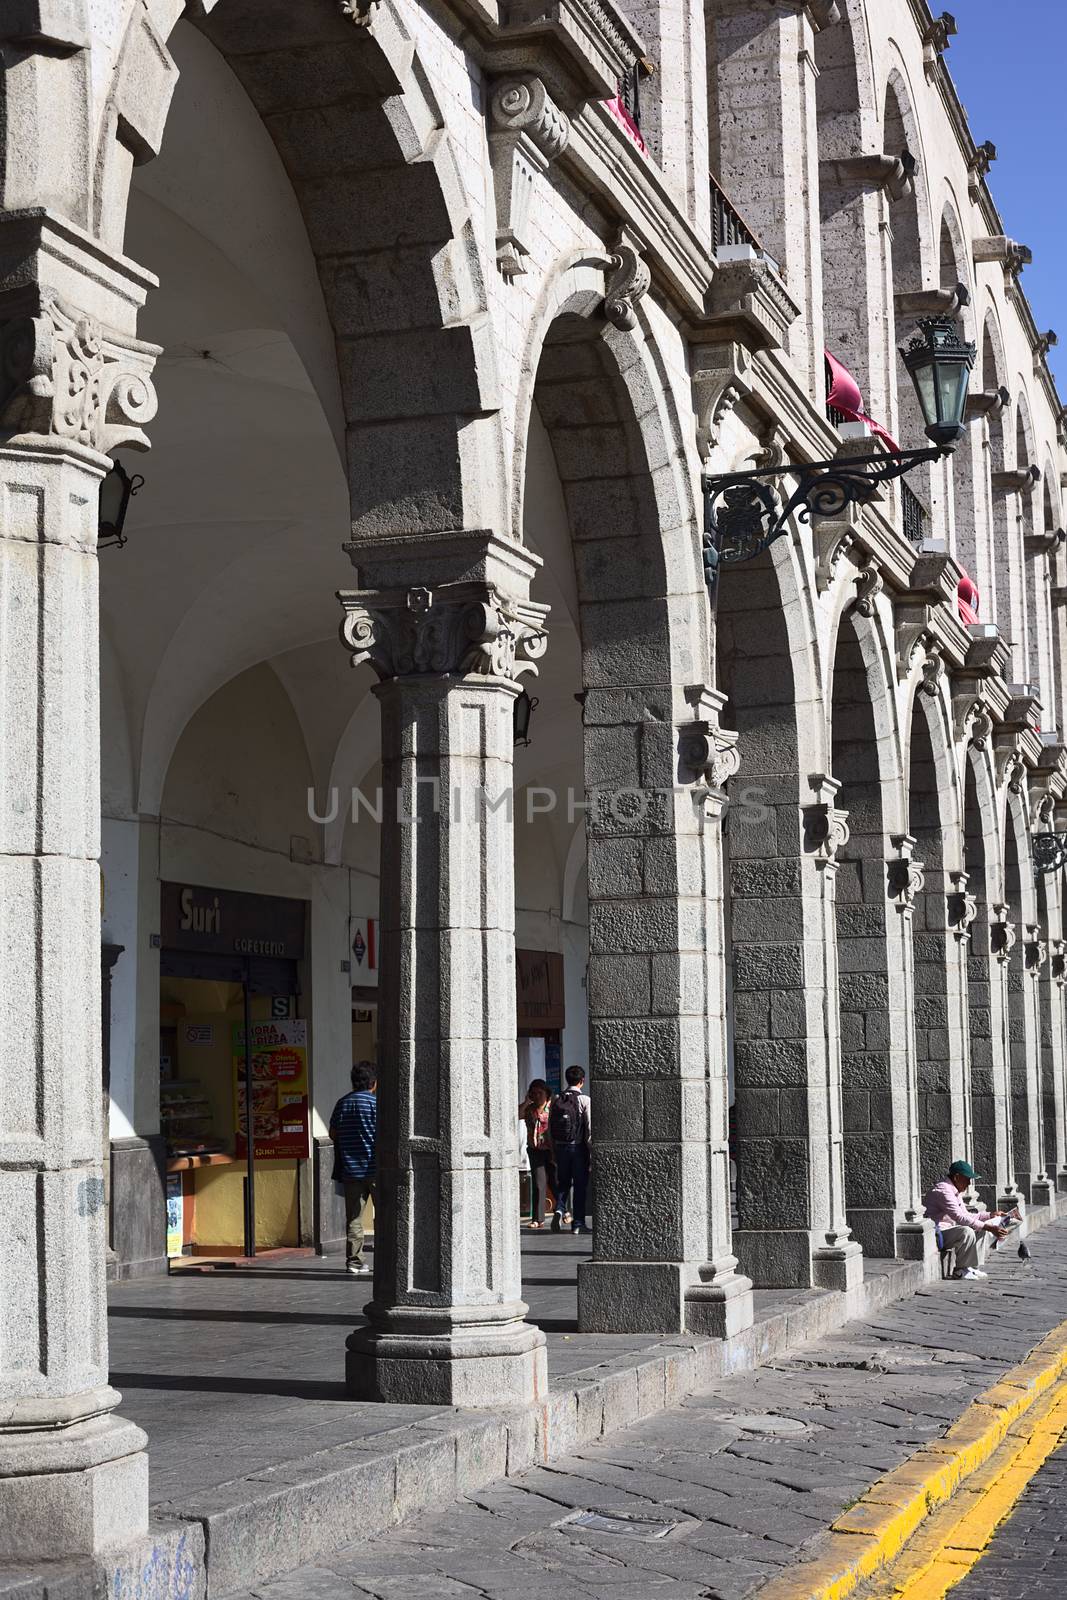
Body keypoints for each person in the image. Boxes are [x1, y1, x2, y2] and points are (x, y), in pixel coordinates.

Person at [923, 1160, 1017, 1281]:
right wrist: (989, 1228)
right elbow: (959, 1217)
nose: (969, 1183)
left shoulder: (954, 1191)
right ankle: (960, 1270)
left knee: (981, 1227)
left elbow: (966, 1215)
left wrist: (990, 1215)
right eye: (967, 1179)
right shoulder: (944, 1191)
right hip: (938, 1233)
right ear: (957, 1177)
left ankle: (971, 1267)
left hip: (950, 1229)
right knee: (966, 1231)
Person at [329, 1061, 378, 1277]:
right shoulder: (376, 1104)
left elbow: (333, 1133)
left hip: (351, 1170)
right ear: (373, 1083)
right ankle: (387, 1260)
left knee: (354, 1219)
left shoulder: (342, 1103)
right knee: (384, 1216)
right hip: (376, 1169)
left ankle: (355, 1262)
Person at [550, 1064, 591, 1235]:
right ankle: (578, 1223)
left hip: (560, 1148)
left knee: (563, 1182)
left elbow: (550, 1129)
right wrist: (591, 1150)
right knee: (580, 1185)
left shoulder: (557, 1099)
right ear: (582, 1080)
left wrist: (553, 1150)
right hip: (578, 1148)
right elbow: (590, 1128)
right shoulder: (584, 1100)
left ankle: (559, 1209)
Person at [519, 1079, 557, 1229]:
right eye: (533, 1093)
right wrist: (526, 1101)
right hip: (536, 1151)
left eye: (539, 1093)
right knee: (539, 1183)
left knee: (555, 1181)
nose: (537, 1096)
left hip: (552, 1150)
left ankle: (563, 1209)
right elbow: (517, 1114)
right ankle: (538, 1218)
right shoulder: (529, 1109)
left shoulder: (553, 1107)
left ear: (546, 1093)